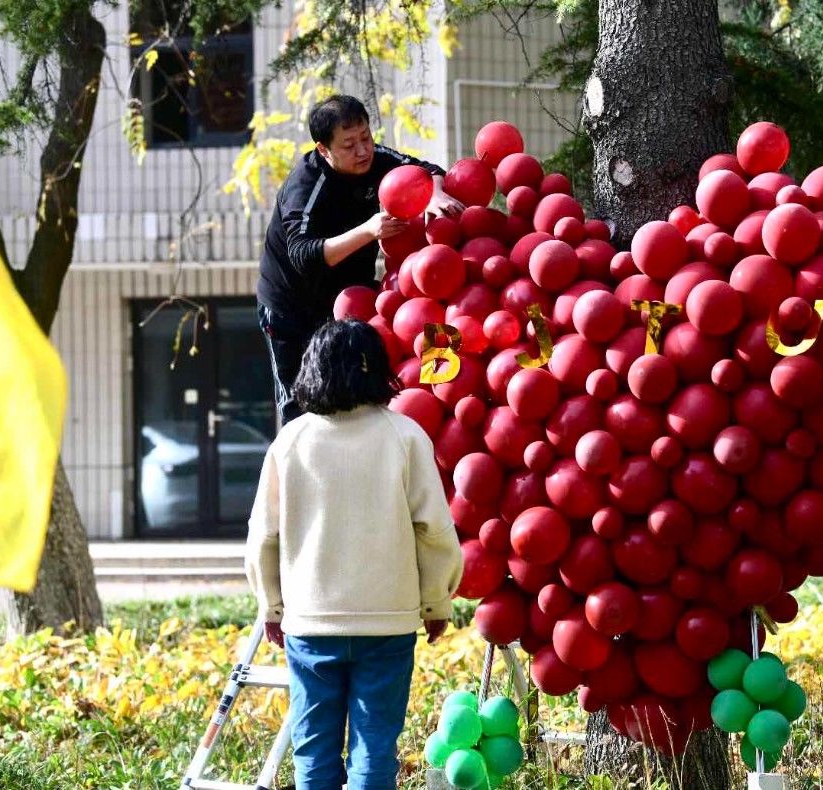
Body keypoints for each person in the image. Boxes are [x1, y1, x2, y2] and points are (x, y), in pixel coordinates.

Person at [244, 319, 463, 790]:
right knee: (375, 749)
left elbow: (264, 535)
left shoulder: (291, 441)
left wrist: (271, 606)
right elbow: (434, 531)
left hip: (310, 622)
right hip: (387, 621)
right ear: (376, 369)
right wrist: (436, 602)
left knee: (314, 751)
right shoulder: (405, 436)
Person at [257, 94, 463, 425]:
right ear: (324, 150)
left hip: (349, 301)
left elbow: (427, 170)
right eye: (349, 145)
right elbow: (303, 255)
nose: (363, 151)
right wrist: (368, 231)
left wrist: (434, 194)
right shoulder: (306, 184)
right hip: (290, 309)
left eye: (365, 137)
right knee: (300, 404)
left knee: (353, 392)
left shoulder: (377, 160)